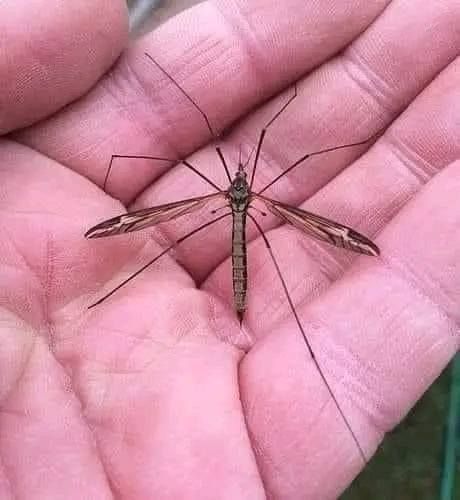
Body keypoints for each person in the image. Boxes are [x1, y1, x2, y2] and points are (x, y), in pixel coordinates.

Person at [1, 0, 458, 498]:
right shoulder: (249, 190)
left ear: (234, 183)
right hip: (249, 214)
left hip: (233, 214)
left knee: (184, 255)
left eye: (239, 178)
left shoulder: (224, 186)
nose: (239, 178)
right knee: (158, 251)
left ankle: (302, 357)